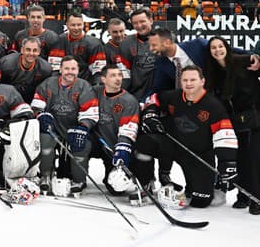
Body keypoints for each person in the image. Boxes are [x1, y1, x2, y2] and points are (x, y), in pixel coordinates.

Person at [134, 65, 238, 209]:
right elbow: (154, 98)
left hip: (197, 154)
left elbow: (224, 135)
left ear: (202, 81)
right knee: (144, 143)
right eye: (185, 80)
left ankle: (191, 191)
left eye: (193, 80)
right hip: (172, 145)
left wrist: (228, 163)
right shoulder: (174, 96)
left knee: (201, 201)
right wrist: (150, 114)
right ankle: (146, 185)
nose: (188, 84)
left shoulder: (213, 106)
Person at [204, 37, 260, 214]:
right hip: (233, 122)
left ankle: (256, 198)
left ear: (227, 47)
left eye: (220, 46)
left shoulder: (242, 61)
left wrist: (256, 56)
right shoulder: (213, 72)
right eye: (213, 47)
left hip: (253, 117)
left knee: (253, 159)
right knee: (240, 158)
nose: (217, 50)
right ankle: (243, 195)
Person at [31, 55, 99, 195]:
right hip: (53, 128)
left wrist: (83, 127)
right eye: (67, 68)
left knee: (81, 144)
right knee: (44, 141)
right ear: (60, 69)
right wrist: (41, 115)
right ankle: (45, 175)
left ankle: (79, 179)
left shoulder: (84, 86)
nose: (70, 71)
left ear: (78, 70)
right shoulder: (48, 84)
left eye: (73, 68)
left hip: (74, 128)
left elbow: (90, 112)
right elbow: (37, 105)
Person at [87, 65, 139, 195]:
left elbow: (128, 127)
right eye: (113, 75)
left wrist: (122, 148)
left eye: (119, 75)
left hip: (115, 148)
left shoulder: (129, 101)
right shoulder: (94, 92)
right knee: (79, 142)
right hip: (97, 141)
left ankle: (143, 181)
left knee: (116, 190)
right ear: (103, 79)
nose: (118, 79)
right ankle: (75, 177)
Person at [47, 13, 106, 85]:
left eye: (79, 25)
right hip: (64, 83)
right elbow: (55, 67)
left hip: (86, 84)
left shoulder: (95, 43)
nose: (76, 28)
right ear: (67, 25)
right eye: (73, 25)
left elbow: (98, 70)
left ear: (83, 25)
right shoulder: (59, 41)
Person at [0, 36, 54, 103]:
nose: (31, 53)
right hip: (7, 99)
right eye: (28, 50)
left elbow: (47, 91)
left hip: (32, 101)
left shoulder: (45, 68)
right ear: (22, 50)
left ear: (39, 51)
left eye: (35, 50)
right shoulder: (5, 63)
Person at [116, 8, 156, 100]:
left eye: (142, 21)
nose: (139, 25)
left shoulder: (166, 39)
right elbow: (124, 74)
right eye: (135, 23)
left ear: (151, 20)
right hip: (135, 95)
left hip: (161, 94)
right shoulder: (125, 44)